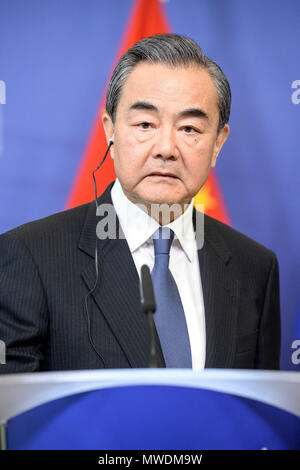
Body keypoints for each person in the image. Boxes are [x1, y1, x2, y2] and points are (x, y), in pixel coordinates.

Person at [0, 34, 280, 373]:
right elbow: (13, 415)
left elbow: (259, 414)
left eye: (190, 129)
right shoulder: (32, 258)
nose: (166, 148)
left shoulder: (255, 269)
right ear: (110, 130)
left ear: (218, 142)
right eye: (145, 124)